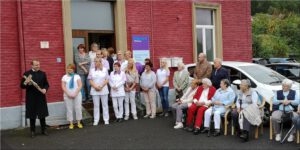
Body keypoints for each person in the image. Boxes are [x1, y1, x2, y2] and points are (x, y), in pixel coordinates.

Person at [21, 60, 50, 138]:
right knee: (32, 115)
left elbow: (46, 84)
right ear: (32, 65)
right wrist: (26, 83)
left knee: (42, 114)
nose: (38, 66)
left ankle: (43, 130)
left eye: (39, 64)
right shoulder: (27, 74)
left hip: (41, 96)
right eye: (36, 65)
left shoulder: (43, 73)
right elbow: (22, 86)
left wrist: (45, 89)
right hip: (31, 97)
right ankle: (32, 131)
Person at [88, 58, 110, 125]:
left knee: (105, 105)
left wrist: (101, 86)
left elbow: (107, 79)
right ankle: (96, 120)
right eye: (95, 62)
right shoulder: (91, 70)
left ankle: (106, 119)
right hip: (95, 90)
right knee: (96, 105)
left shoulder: (105, 69)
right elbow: (90, 80)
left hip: (103, 89)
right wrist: (95, 87)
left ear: (101, 62)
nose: (96, 63)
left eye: (98, 62)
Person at [61, 64, 83, 129]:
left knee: (78, 108)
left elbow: (80, 85)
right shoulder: (64, 77)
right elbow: (63, 86)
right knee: (69, 109)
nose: (69, 70)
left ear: (73, 69)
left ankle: (79, 122)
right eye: (68, 68)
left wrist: (75, 93)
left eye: (71, 69)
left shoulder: (77, 76)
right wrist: (68, 94)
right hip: (67, 95)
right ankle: (71, 123)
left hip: (77, 94)